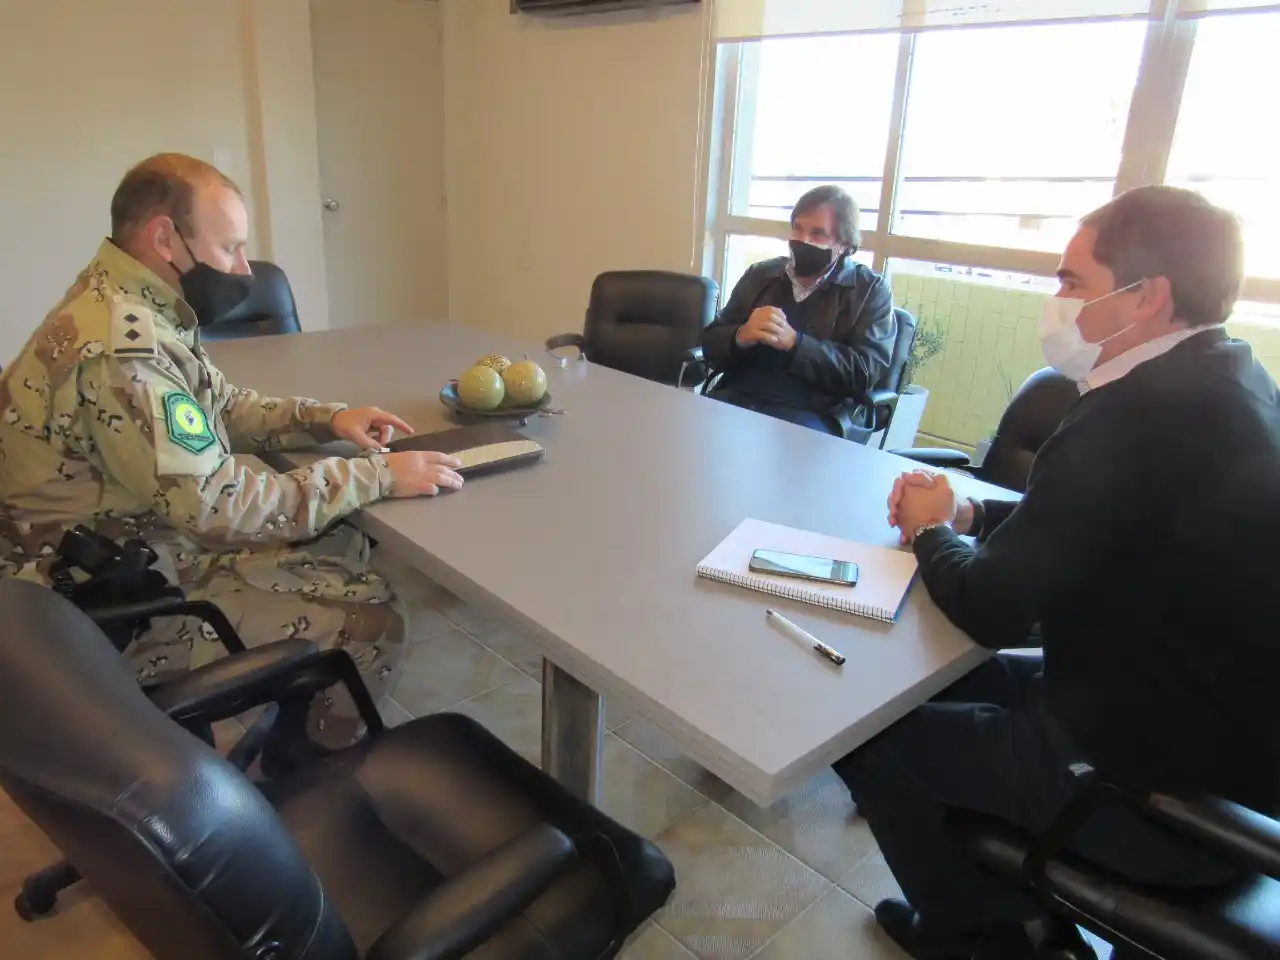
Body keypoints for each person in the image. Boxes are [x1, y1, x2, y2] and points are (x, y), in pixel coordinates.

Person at [836, 185, 1280, 959]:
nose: (1058, 301)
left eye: (1073, 281)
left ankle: (984, 941)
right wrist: (971, 514)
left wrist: (931, 529)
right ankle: (1015, 914)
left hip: (1151, 796)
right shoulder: (1231, 378)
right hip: (1214, 746)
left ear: (1148, 298)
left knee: (858, 738)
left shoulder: (1132, 416)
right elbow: (1094, 525)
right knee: (933, 687)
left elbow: (990, 608)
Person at [0, 153, 466, 764]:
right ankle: (309, 778)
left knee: (338, 538)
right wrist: (375, 474)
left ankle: (289, 708)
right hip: (100, 603)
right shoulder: (120, 349)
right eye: (230, 248)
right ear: (165, 237)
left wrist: (325, 418)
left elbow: (217, 404)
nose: (245, 269)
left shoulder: (131, 301)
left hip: (120, 545)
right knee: (374, 616)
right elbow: (218, 506)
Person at [698, 185, 897, 438]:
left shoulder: (870, 291)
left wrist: (797, 344)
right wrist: (740, 335)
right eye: (798, 228)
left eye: (818, 234)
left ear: (843, 244)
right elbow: (710, 345)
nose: (803, 240)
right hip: (739, 397)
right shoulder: (761, 275)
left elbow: (864, 374)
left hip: (813, 413)